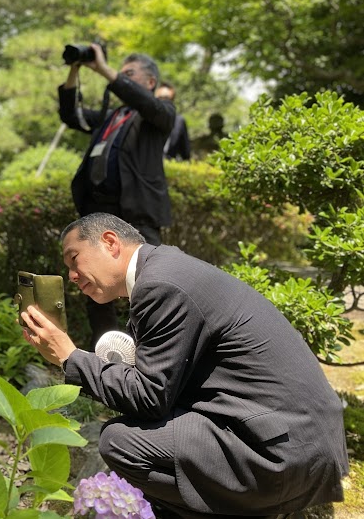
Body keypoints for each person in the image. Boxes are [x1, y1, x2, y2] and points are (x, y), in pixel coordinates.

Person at [20, 212, 349, 519]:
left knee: (119, 441)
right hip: (298, 442)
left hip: (283, 455)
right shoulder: (167, 270)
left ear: (109, 242)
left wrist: (68, 355)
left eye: (74, 259)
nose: (72, 276)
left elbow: (149, 398)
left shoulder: (160, 285)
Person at [58, 45, 174, 346]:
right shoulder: (112, 116)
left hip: (137, 216)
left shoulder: (158, 113)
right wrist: (76, 68)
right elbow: (72, 115)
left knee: (149, 285)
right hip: (99, 215)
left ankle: (152, 355)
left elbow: (148, 106)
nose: (120, 78)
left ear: (150, 82)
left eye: (129, 74)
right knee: (94, 289)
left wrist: (105, 70)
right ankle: (105, 360)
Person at [154, 82, 190, 161]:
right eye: (160, 98)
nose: (163, 102)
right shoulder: (145, 118)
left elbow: (185, 152)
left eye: (166, 99)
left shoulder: (178, 121)